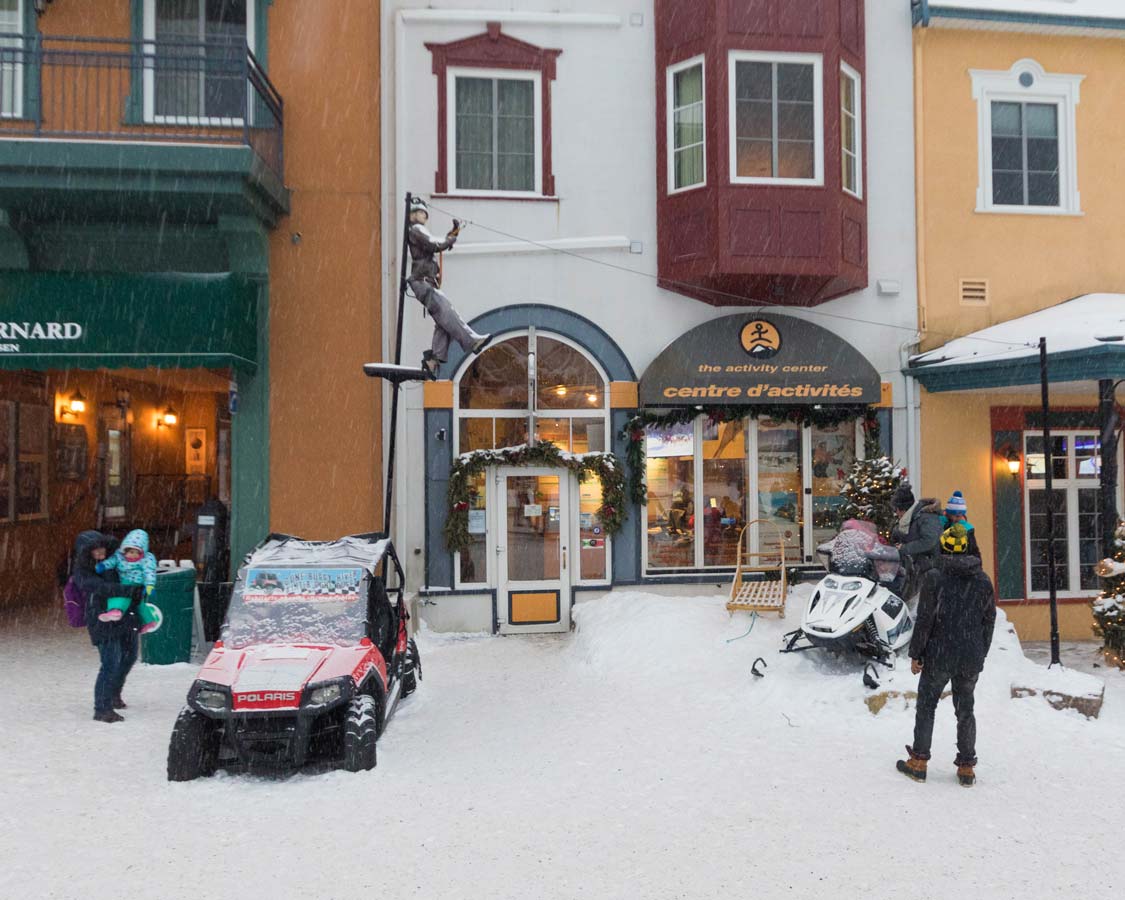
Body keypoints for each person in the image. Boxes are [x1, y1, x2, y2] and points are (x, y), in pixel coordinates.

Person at [897, 524, 997, 787]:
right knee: (966, 710)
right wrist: (980, 654)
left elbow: (925, 620)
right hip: (969, 657)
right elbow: (989, 621)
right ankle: (966, 767)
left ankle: (918, 761)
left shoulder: (934, 578)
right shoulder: (983, 580)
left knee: (926, 706)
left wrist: (916, 653)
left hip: (939, 654)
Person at [407, 197, 492, 378]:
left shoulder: (416, 230)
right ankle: (471, 340)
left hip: (425, 283)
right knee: (447, 312)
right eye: (421, 212)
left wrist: (451, 236)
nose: (424, 215)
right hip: (423, 282)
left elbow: (435, 243)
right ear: (414, 214)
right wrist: (450, 239)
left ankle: (433, 360)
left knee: (442, 321)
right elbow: (435, 244)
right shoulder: (416, 229)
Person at [72, 530, 146, 723]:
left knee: (129, 656)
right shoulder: (82, 571)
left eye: (101, 547)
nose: (100, 552)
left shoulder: (115, 560)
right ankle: (102, 708)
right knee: (110, 662)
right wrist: (129, 589)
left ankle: (113, 694)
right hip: (101, 619)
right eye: (95, 550)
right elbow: (100, 587)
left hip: (125, 615)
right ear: (86, 552)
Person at [95, 529, 163, 635]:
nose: (134, 555)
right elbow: (112, 561)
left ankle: (116, 610)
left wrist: (149, 585)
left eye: (137, 553)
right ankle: (149, 621)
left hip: (136, 581)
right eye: (131, 552)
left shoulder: (146, 559)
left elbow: (149, 572)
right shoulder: (119, 556)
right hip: (123, 579)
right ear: (125, 550)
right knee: (138, 602)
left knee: (121, 593)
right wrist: (104, 565)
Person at [890, 484, 943, 591]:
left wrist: (905, 548)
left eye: (896, 509)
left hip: (929, 568)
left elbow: (929, 541)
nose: (896, 513)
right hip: (916, 569)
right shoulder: (911, 517)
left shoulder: (926, 517)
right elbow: (909, 534)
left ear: (903, 509)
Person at [940, 491, 981, 558]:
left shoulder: (967, 529)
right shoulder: (939, 523)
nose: (958, 518)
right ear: (949, 513)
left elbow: (974, 552)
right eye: (957, 516)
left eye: (960, 516)